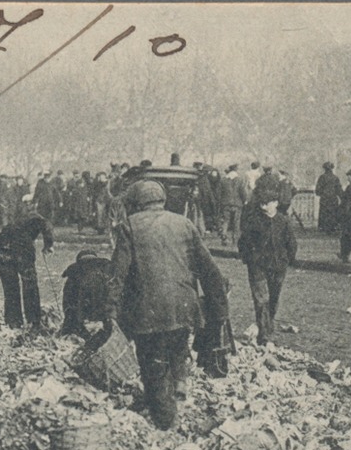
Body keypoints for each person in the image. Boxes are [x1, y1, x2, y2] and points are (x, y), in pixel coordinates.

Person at [109, 180, 226, 429]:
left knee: (153, 365)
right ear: (161, 199)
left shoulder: (128, 226)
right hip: (184, 305)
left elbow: (117, 274)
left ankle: (166, 422)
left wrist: (109, 311)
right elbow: (208, 267)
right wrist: (219, 305)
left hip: (147, 310)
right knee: (176, 347)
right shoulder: (184, 223)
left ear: (137, 203)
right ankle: (178, 387)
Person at [237, 194, 297, 346]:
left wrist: (287, 260)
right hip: (258, 266)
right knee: (261, 299)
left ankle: (266, 325)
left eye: (267, 203)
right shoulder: (254, 221)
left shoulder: (284, 221)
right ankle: (265, 336)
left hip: (277, 267)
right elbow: (243, 242)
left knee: (273, 299)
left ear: (276, 203)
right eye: (261, 203)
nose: (264, 206)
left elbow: (291, 243)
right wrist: (249, 259)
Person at [0, 201, 54, 330]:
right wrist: (48, 246)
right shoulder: (37, 219)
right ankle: (33, 321)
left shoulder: (14, 223)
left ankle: (13, 322)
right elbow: (47, 227)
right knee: (30, 285)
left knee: (10, 288)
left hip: (1, 252)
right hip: (21, 250)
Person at [60, 248, 115, 351]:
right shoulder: (106, 270)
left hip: (82, 319)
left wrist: (67, 327)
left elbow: (68, 305)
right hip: (103, 319)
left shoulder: (73, 274)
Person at [315, 162, 343, 233]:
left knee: (324, 213)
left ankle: (324, 228)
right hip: (333, 199)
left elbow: (318, 190)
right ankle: (332, 227)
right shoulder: (335, 178)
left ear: (324, 169)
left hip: (324, 199)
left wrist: (322, 193)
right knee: (333, 213)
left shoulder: (322, 177)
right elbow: (339, 190)